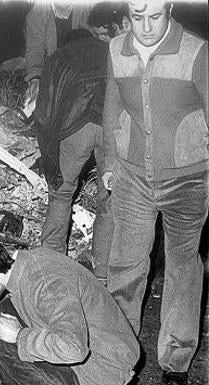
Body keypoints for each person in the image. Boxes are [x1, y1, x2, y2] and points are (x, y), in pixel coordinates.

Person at [102, 1, 208, 384]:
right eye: (136, 17)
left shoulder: (196, 51)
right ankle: (117, 353)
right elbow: (111, 109)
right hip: (132, 176)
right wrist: (108, 164)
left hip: (189, 179)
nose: (145, 26)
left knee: (182, 267)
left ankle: (175, 362)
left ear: (169, 9)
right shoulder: (116, 49)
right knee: (125, 266)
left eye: (154, 16)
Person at [0, 237, 139, 385]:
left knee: (5, 338)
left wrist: (19, 336)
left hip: (103, 365)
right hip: (85, 344)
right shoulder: (21, 264)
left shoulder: (48, 285)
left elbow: (74, 349)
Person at [35, 3, 131, 282]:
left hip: (75, 127)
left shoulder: (58, 58)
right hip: (111, 127)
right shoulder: (113, 51)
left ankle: (53, 264)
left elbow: (44, 115)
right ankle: (102, 274)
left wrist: (50, 162)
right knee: (107, 201)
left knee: (61, 193)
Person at [24, 1, 93, 103]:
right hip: (54, 72)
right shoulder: (37, 12)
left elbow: (96, 41)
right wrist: (35, 78)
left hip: (84, 72)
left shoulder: (87, 8)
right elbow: (34, 50)